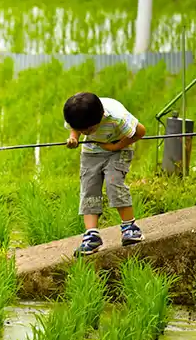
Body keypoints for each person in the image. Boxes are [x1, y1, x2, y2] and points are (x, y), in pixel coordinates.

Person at [63, 92, 146, 256]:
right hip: (91, 152)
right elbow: (76, 128)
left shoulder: (117, 117)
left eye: (90, 129)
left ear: (100, 117)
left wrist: (115, 147)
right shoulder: (77, 114)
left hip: (118, 150)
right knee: (89, 188)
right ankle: (92, 236)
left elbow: (140, 132)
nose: (86, 133)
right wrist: (73, 137)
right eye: (82, 130)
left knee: (113, 183)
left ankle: (129, 227)